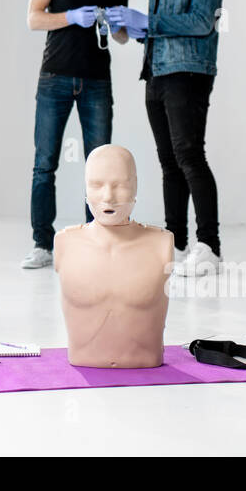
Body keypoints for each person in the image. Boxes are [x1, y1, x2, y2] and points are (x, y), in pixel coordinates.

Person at [106, 0, 223, 275]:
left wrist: (149, 22)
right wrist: (129, 27)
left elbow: (200, 22)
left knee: (190, 156)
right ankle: (176, 242)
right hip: (156, 73)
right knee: (169, 162)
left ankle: (209, 246)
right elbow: (158, 30)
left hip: (188, 73)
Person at [23, 0, 131, 269]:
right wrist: (70, 16)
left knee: (100, 167)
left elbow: (121, 38)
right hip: (55, 77)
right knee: (44, 163)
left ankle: (96, 239)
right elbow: (34, 19)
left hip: (97, 81)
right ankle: (42, 244)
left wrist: (118, 25)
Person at [55, 144, 172, 368]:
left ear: (135, 186)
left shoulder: (161, 243)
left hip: (146, 367)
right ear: (85, 187)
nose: (108, 197)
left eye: (120, 185)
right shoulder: (65, 242)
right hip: (83, 366)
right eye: (97, 185)